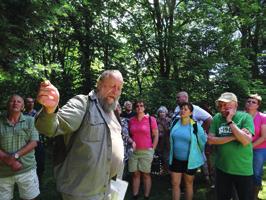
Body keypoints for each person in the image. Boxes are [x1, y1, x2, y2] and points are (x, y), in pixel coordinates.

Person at [35, 70, 124, 200]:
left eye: (119, 88)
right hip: (84, 192)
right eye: (112, 86)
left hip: (112, 187)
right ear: (99, 85)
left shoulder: (113, 112)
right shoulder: (83, 103)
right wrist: (50, 110)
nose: (116, 91)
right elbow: (53, 127)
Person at [208, 92, 254, 200]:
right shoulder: (217, 118)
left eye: (226, 105)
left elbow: (246, 141)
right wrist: (235, 136)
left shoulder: (245, 118)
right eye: (220, 105)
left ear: (236, 105)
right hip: (222, 168)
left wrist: (229, 121)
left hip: (243, 170)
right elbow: (210, 140)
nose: (222, 108)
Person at [0, 94, 40, 200]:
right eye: (12, 101)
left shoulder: (30, 120)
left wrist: (14, 156)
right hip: (3, 172)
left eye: (18, 101)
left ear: (23, 107)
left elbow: (34, 142)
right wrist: (11, 161)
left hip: (27, 169)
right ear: (7, 105)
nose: (15, 103)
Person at [169, 102, 207, 200]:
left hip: (190, 161)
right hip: (176, 159)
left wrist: (196, 152)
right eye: (181, 109)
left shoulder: (196, 126)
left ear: (190, 113)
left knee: (188, 184)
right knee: (175, 184)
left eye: (186, 109)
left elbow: (202, 142)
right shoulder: (174, 123)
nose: (183, 111)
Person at [128, 100, 159, 199]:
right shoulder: (131, 120)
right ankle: (135, 195)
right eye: (137, 106)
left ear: (144, 108)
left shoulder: (151, 119)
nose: (139, 107)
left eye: (141, 105)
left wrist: (152, 149)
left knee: (146, 174)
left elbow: (156, 135)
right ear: (134, 108)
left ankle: (146, 196)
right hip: (134, 151)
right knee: (135, 174)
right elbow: (129, 134)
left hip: (146, 151)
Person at [245, 94, 266, 200]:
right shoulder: (241, 115)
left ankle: (254, 197)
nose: (250, 103)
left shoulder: (263, 117)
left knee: (256, 173)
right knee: (243, 171)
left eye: (253, 102)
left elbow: (263, 137)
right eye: (248, 101)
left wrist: (250, 146)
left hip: (259, 149)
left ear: (258, 106)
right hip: (242, 147)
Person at [24, 97, 46, 185]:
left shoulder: (38, 114)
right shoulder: (22, 115)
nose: (30, 104)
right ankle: (28, 180)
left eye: (32, 102)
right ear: (25, 104)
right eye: (28, 102)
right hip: (26, 143)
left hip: (38, 142)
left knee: (40, 161)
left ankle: (39, 180)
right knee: (27, 162)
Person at [156, 106, 171, 173]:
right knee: (160, 156)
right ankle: (163, 170)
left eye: (163, 112)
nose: (162, 113)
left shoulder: (169, 120)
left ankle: (168, 170)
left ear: (166, 113)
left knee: (166, 156)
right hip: (159, 141)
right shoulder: (156, 121)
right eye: (160, 112)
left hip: (167, 141)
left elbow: (170, 130)